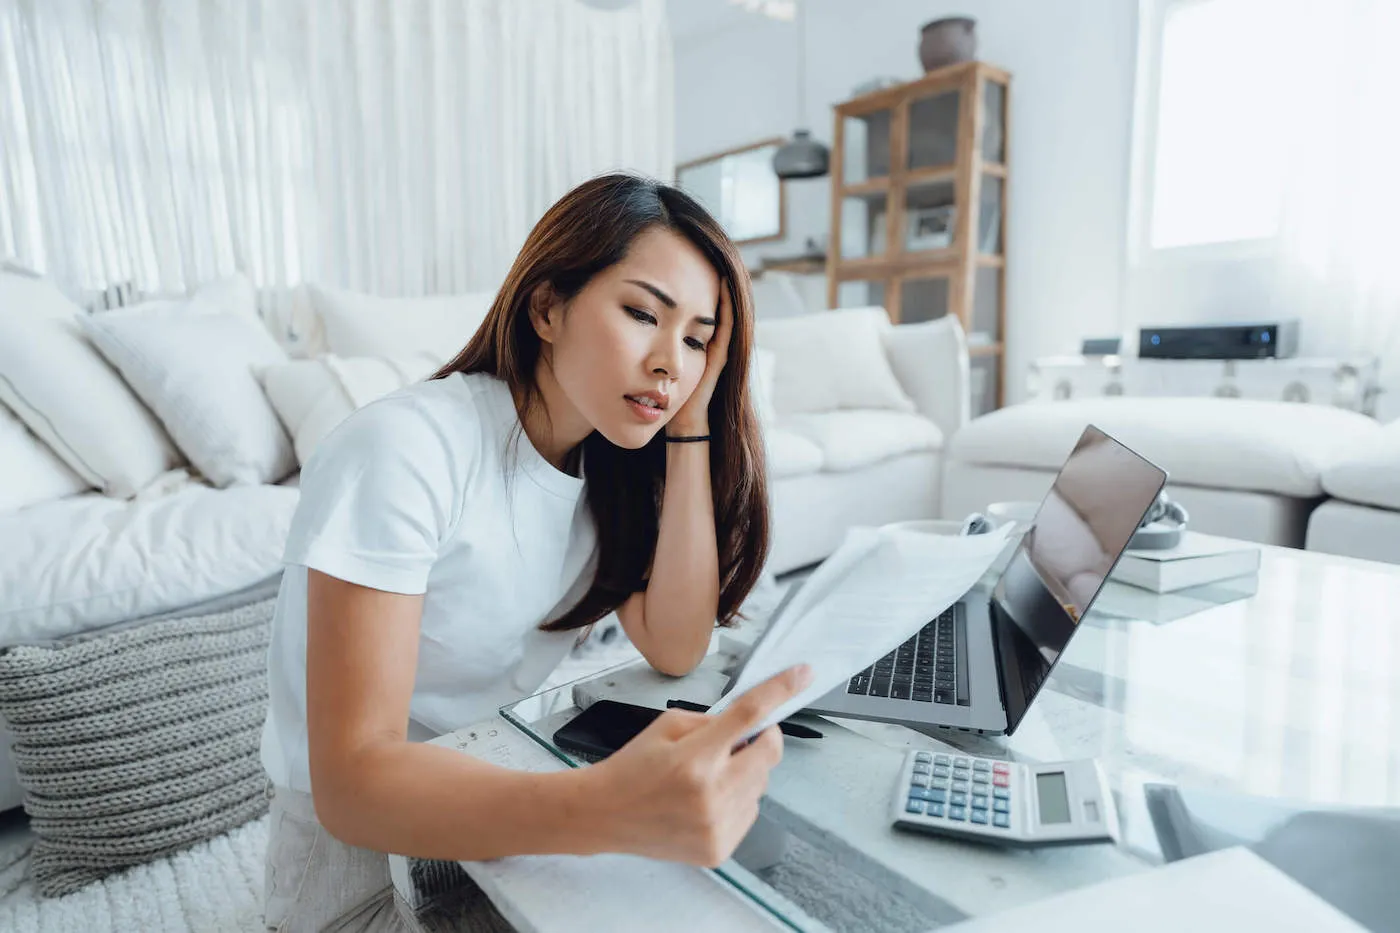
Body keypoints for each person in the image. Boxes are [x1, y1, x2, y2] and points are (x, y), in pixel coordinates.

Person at [259, 173, 812, 932]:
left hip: (501, 800)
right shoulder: (405, 448)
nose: (668, 362)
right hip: (360, 864)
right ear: (548, 307)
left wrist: (690, 426)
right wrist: (611, 807)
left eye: (695, 339)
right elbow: (352, 786)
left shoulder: (606, 466)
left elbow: (678, 644)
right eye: (643, 314)